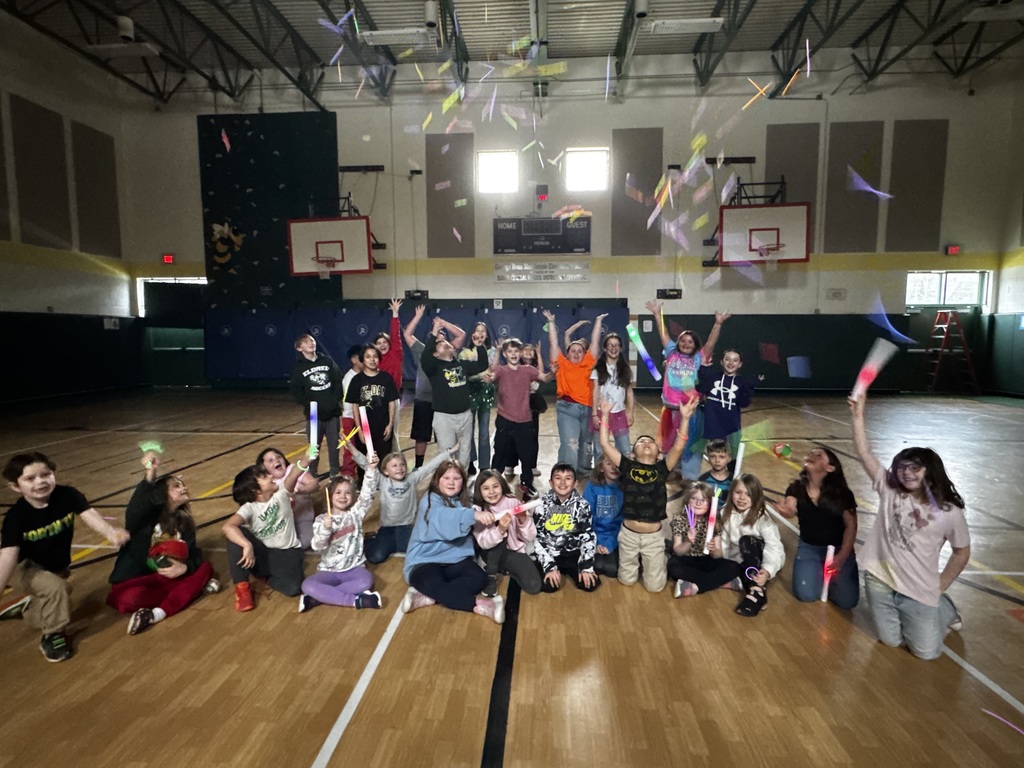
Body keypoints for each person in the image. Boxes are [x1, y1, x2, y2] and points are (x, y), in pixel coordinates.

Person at [849, 395, 970, 660]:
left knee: (926, 653)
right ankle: (924, 611)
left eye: (915, 468)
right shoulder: (890, 491)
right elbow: (864, 453)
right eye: (902, 468)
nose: (906, 473)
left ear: (930, 470)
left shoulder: (950, 512)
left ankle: (944, 608)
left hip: (919, 588)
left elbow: (961, 552)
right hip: (880, 579)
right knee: (891, 641)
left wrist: (942, 585)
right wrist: (858, 416)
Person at [1, 452, 130, 662]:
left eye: (46, 474)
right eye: (30, 478)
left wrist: (110, 532)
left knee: (61, 596)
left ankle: (30, 609)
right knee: (56, 590)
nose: (40, 481)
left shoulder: (67, 495)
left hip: (56, 565)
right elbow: (7, 555)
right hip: (25, 567)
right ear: (16, 486)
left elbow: (89, 515)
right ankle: (52, 636)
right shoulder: (16, 518)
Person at [107, 452, 219, 636]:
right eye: (176, 486)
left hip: (167, 579)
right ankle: (192, 591)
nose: (184, 488)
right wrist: (150, 473)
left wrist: (185, 568)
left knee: (204, 567)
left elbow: (194, 555)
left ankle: (155, 614)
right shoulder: (144, 518)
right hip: (139, 580)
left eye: (183, 484)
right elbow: (135, 507)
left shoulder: (185, 524)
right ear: (162, 494)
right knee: (129, 598)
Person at [597, 397, 697, 593]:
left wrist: (684, 419)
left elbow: (678, 447)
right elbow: (605, 444)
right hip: (628, 536)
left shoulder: (662, 468)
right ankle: (645, 561)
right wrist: (605, 415)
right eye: (641, 441)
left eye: (650, 442)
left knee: (655, 587)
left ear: (659, 454)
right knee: (626, 581)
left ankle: (660, 555)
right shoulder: (627, 466)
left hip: (653, 537)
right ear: (633, 454)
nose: (645, 443)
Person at [401, 461, 505, 624]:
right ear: (437, 480)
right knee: (435, 584)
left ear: (463, 482)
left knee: (479, 579)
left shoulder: (468, 499)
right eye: (446, 477)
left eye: (456, 478)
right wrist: (473, 515)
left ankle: (426, 596)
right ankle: (484, 606)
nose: (451, 482)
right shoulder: (429, 501)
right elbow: (442, 517)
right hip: (425, 560)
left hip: (456, 559)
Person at [645, 300, 730, 479]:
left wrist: (718, 323)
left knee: (691, 450)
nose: (686, 343)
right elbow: (664, 334)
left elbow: (711, 343)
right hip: (670, 411)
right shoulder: (671, 353)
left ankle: (690, 479)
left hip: (691, 414)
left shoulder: (699, 357)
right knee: (668, 447)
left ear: (695, 344)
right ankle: (670, 472)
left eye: (690, 341)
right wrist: (656, 314)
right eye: (682, 340)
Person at [222, 448, 313, 611]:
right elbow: (227, 526)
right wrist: (247, 545)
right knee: (235, 535)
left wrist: (307, 458)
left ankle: (265, 578)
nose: (271, 476)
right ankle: (242, 587)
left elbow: (294, 474)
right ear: (256, 490)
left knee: (293, 588)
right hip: (262, 552)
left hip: (288, 552)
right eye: (265, 476)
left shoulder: (282, 494)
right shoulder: (249, 507)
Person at [346, 440, 459, 564]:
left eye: (402, 465)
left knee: (419, 552)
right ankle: (371, 538)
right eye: (394, 466)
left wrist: (449, 452)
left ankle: (395, 543)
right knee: (375, 557)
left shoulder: (412, 479)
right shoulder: (383, 481)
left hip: (407, 527)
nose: (399, 468)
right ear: (385, 471)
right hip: (387, 528)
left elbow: (430, 466)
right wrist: (352, 449)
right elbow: (366, 465)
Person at [775, 447, 859, 610]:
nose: (811, 455)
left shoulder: (843, 494)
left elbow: (851, 526)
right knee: (806, 595)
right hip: (809, 547)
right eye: (810, 453)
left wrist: (842, 557)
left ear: (830, 468)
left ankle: (835, 581)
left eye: (818, 455)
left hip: (839, 549)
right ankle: (815, 574)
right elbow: (790, 508)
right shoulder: (796, 487)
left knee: (847, 602)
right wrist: (787, 511)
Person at [299, 457, 382, 613]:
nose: (343, 496)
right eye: (338, 492)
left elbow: (367, 493)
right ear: (330, 496)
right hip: (328, 571)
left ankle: (319, 597)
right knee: (307, 585)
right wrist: (325, 529)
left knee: (366, 581)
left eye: (347, 493)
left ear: (352, 496)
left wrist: (371, 470)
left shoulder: (355, 514)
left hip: (354, 569)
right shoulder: (321, 520)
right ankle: (356, 601)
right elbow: (317, 546)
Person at [711, 473, 785, 617]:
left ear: (756, 497)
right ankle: (747, 583)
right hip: (741, 560)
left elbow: (774, 547)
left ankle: (757, 588)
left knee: (746, 541)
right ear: (731, 493)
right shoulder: (725, 512)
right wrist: (718, 551)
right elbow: (726, 544)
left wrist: (768, 570)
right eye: (738, 492)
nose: (742, 498)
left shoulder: (762, 519)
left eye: (748, 494)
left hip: (761, 559)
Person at [488, 338, 553, 500]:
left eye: (516, 351)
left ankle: (526, 482)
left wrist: (554, 372)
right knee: (500, 452)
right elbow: (492, 373)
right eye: (510, 351)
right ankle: (493, 481)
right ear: (505, 354)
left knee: (526, 454)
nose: (514, 354)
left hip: (524, 420)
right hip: (504, 419)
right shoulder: (502, 370)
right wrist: (495, 353)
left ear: (520, 353)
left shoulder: (528, 370)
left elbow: (545, 378)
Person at [542, 310, 604, 475]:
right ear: (567, 353)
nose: (576, 353)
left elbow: (595, 342)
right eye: (572, 350)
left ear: (585, 354)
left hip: (589, 410)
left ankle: (582, 469)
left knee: (586, 445)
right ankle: (568, 473)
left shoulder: (589, 363)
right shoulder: (562, 363)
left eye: (579, 351)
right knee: (571, 443)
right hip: (568, 409)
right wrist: (550, 322)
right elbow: (554, 344)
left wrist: (598, 321)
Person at [472, 469, 542, 597]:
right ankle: (490, 571)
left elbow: (530, 537)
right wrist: (500, 531)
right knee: (496, 546)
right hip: (489, 553)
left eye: (495, 486)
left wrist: (523, 519)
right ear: (479, 491)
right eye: (486, 488)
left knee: (534, 586)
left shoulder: (512, 502)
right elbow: (484, 543)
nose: (492, 492)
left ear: (502, 486)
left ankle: (505, 569)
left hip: (513, 551)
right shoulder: (478, 510)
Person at [668, 481, 742, 598]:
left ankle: (695, 587)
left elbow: (717, 555)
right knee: (673, 566)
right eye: (694, 498)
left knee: (734, 566)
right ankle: (718, 582)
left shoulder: (715, 522)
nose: (698, 503)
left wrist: (713, 550)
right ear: (688, 500)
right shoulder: (680, 519)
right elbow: (678, 551)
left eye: (703, 500)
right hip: (686, 560)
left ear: (710, 503)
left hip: (706, 559)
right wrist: (688, 541)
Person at [533, 464, 600, 593]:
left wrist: (586, 567)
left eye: (568, 478)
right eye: (558, 478)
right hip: (550, 552)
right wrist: (549, 566)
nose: (563, 482)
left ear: (575, 483)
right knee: (548, 586)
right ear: (551, 483)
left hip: (573, 554)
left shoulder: (583, 505)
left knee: (590, 584)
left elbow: (588, 536)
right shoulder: (541, 505)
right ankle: (551, 570)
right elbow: (538, 538)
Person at [404, 305, 456, 469]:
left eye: (443, 338)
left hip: (442, 402)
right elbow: (407, 334)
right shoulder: (422, 350)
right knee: (421, 436)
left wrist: (444, 324)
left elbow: (460, 336)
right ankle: (418, 466)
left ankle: (445, 465)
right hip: (423, 400)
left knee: (444, 436)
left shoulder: (447, 352)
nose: (442, 340)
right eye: (438, 337)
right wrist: (418, 315)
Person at [420, 316, 474, 468]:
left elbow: (461, 335)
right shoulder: (433, 366)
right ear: (435, 353)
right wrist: (434, 331)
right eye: (440, 344)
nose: (445, 344)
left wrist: (443, 323)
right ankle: (446, 487)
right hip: (445, 417)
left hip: (465, 415)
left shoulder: (459, 362)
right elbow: (425, 356)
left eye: (446, 342)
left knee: (464, 453)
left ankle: (461, 485)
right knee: (447, 454)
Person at [289, 333, 344, 478]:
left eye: (312, 341)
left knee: (334, 446)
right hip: (314, 415)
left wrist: (335, 400)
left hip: (332, 413)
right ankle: (312, 475)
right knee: (314, 447)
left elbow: (338, 380)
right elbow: (295, 390)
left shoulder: (326, 361)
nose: (311, 343)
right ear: (299, 348)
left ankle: (335, 473)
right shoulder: (299, 368)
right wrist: (307, 403)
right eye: (306, 342)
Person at [696, 349, 760, 456]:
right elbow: (700, 387)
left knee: (733, 459)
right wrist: (703, 370)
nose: (730, 363)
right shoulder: (713, 378)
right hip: (713, 426)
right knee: (716, 457)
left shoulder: (742, 382)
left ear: (740, 364)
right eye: (727, 359)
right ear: (721, 362)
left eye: (735, 360)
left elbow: (744, 403)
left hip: (732, 427)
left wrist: (748, 389)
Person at [344, 345, 400, 462]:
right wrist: (359, 429)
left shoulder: (386, 378)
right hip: (365, 428)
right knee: (366, 461)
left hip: (383, 427)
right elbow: (354, 406)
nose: (372, 359)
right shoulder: (357, 380)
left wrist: (390, 424)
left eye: (375, 356)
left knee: (384, 460)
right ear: (363, 360)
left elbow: (391, 402)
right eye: (368, 357)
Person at [256, 447, 320, 549]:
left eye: (278, 457)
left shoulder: (293, 469)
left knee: (305, 541)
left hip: (301, 518)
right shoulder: (266, 483)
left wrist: (300, 490)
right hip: (281, 522)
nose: (276, 460)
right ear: (263, 468)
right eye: (270, 460)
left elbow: (315, 485)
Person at [590, 331, 634, 461]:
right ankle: (600, 477)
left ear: (620, 348)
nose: (613, 348)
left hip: (619, 414)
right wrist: (594, 414)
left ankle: (624, 476)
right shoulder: (597, 369)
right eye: (610, 345)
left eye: (616, 345)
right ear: (605, 348)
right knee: (599, 450)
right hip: (601, 413)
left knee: (625, 449)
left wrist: (630, 412)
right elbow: (595, 392)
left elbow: (630, 393)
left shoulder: (625, 369)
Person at [461, 322, 496, 476]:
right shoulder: (464, 353)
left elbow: (490, 370)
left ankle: (484, 464)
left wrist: (478, 373)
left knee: (483, 431)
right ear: (472, 334)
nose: (480, 334)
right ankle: (469, 460)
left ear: (487, 335)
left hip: (484, 393)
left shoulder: (492, 351)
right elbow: (468, 373)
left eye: (483, 331)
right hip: (468, 392)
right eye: (477, 330)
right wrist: (479, 374)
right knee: (468, 430)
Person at [582, 457, 624, 578]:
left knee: (612, 570)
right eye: (608, 464)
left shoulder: (624, 488)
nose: (613, 467)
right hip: (594, 536)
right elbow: (587, 517)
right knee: (596, 566)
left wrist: (610, 543)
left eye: (616, 464)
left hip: (615, 537)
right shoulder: (592, 486)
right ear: (601, 468)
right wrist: (596, 542)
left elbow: (623, 522)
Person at [340, 344, 364, 478]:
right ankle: (348, 473)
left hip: (362, 416)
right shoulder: (350, 378)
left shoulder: (364, 375)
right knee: (350, 447)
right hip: (350, 417)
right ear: (354, 360)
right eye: (362, 357)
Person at [375, 298, 405, 393]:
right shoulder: (374, 359)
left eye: (384, 342)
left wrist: (395, 313)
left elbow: (395, 333)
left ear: (389, 343)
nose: (382, 345)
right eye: (379, 343)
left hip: (395, 392)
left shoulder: (395, 353)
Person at [698, 439, 734, 504]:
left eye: (721, 457)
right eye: (713, 456)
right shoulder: (703, 479)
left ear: (729, 458)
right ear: (708, 458)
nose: (717, 460)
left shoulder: (733, 480)